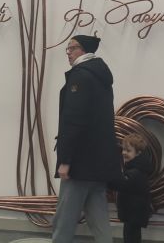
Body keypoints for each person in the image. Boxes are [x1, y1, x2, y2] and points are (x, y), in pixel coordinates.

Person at [52, 34, 121, 243]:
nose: (68, 53)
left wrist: (65, 160)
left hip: (80, 164)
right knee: (99, 219)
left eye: (72, 48)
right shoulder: (101, 78)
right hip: (99, 164)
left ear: (84, 50)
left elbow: (74, 120)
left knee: (64, 220)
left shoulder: (80, 76)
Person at [111, 133, 153, 243]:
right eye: (123, 149)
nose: (124, 153)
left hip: (133, 214)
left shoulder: (135, 172)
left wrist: (106, 179)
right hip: (133, 214)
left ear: (138, 153)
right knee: (133, 237)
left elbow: (120, 184)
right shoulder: (136, 168)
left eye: (128, 151)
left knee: (130, 238)